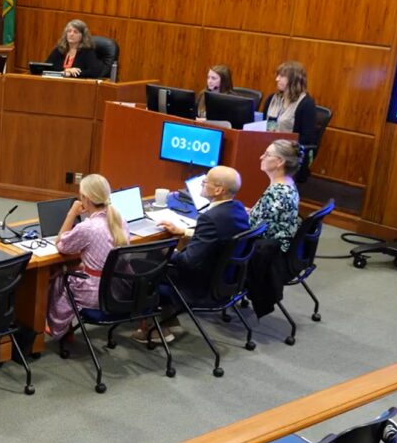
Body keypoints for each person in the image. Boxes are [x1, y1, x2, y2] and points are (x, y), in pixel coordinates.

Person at [149, 166, 250, 340]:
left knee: (147, 263)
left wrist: (165, 251)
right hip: (226, 280)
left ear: (218, 190)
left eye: (205, 182)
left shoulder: (209, 218)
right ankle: (169, 321)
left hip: (200, 286)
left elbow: (187, 261)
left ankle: (155, 329)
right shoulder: (238, 209)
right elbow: (218, 236)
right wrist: (184, 232)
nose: (202, 184)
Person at [45, 174, 130, 343]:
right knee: (77, 268)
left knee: (58, 276)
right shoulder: (120, 220)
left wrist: (71, 214)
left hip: (94, 294)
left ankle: (58, 328)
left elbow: (61, 244)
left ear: (85, 198)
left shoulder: (87, 228)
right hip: (118, 289)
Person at [249, 140, 302, 253]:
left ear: (280, 162)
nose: (261, 157)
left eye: (267, 155)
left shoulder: (278, 193)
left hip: (264, 254)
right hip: (272, 247)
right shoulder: (287, 183)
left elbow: (257, 231)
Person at [262, 61, 317, 145]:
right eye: (278, 75)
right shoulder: (271, 99)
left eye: (282, 76)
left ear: (294, 79)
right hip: (268, 146)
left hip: (289, 150)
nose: (277, 79)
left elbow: (306, 139)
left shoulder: (306, 104)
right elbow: (263, 126)